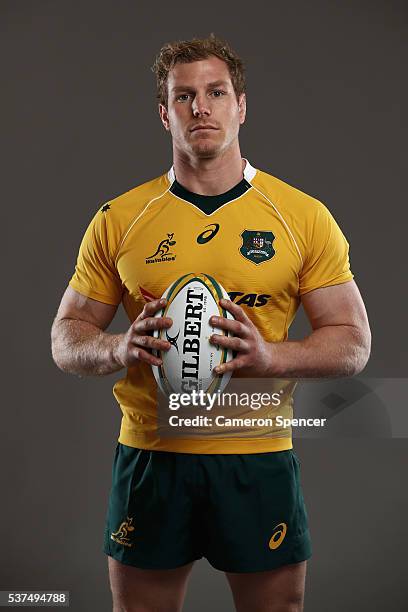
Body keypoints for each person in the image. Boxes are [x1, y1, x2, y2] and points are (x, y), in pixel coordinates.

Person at [51, 34, 371, 612]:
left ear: (241, 105)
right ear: (164, 112)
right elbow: (66, 338)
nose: (201, 107)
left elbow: (352, 343)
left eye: (216, 92)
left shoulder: (301, 216)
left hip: (256, 454)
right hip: (153, 456)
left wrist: (271, 358)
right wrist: (119, 346)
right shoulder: (120, 218)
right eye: (184, 96)